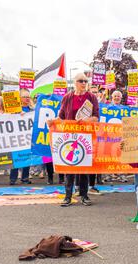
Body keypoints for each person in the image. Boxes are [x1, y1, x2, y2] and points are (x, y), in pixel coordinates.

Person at [48, 73, 99, 207]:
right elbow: (61, 117)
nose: (84, 83)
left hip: (85, 136)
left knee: (84, 168)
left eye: (85, 81)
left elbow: (96, 117)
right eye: (81, 81)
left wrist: (87, 120)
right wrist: (52, 121)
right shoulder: (67, 97)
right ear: (75, 82)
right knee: (69, 166)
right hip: (69, 136)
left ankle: (84, 195)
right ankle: (68, 196)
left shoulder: (92, 97)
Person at [9, 89, 34, 185]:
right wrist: (18, 114)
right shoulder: (14, 109)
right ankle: (13, 178)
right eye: (25, 97)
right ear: (20, 98)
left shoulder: (32, 109)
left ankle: (25, 178)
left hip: (28, 137)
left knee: (27, 157)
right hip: (17, 137)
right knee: (16, 157)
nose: (27, 98)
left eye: (28, 97)